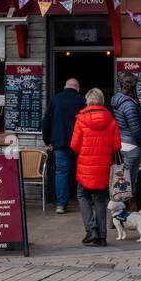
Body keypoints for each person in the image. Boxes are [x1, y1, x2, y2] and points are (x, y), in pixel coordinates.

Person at [70, 87, 120, 246]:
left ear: (88, 100)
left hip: (85, 167)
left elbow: (74, 145)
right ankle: (102, 237)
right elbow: (116, 146)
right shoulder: (110, 119)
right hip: (103, 167)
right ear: (101, 101)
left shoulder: (81, 119)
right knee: (99, 199)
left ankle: (91, 230)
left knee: (82, 195)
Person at [41, 78, 86, 213]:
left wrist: (47, 141)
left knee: (61, 172)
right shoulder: (82, 100)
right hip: (80, 143)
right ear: (77, 88)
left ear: (65, 86)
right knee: (82, 171)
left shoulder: (55, 99)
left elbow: (46, 121)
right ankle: (84, 200)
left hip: (60, 142)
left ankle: (61, 204)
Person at [111, 74, 141, 208]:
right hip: (131, 147)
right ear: (133, 86)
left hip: (120, 144)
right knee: (129, 184)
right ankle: (124, 214)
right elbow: (135, 130)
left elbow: (127, 123)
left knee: (120, 181)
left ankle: (116, 215)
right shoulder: (129, 104)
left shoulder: (116, 100)